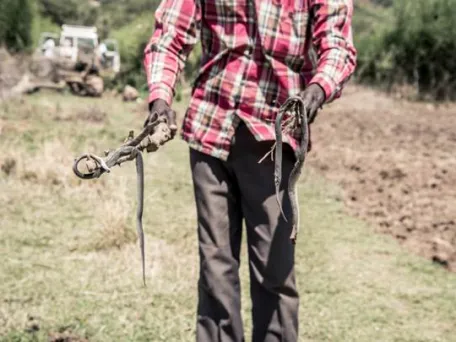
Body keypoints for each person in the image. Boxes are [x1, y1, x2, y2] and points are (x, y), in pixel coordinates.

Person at [143, 1, 356, 341]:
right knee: (215, 268)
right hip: (211, 127)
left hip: (274, 137)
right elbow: (170, 33)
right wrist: (160, 98)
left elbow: (337, 45)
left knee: (275, 273)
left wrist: (317, 89)